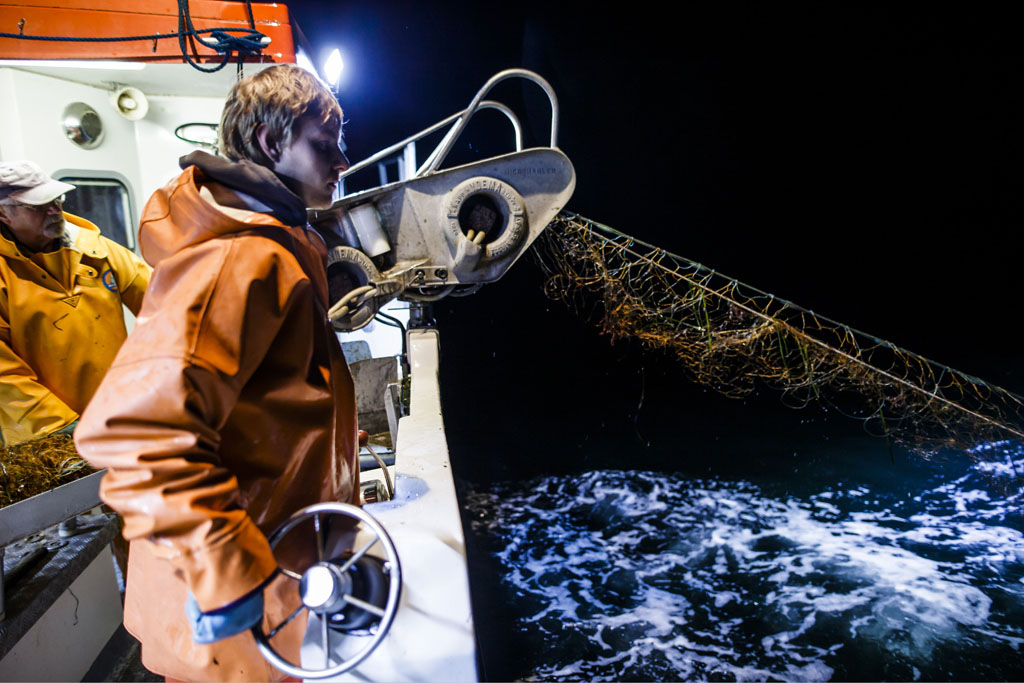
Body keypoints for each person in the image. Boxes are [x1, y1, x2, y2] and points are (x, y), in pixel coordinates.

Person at [74, 64, 358, 682]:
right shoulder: (240, 258)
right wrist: (231, 577)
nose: (341, 160)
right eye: (324, 141)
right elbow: (135, 434)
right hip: (233, 615)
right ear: (268, 142)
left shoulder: (278, 243)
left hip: (277, 590)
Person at [0, 161, 150, 446]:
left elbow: (165, 307)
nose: (55, 210)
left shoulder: (97, 250)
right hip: (46, 438)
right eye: (38, 205)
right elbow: (4, 375)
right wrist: (62, 426)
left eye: (56, 199)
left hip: (120, 417)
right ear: (4, 215)